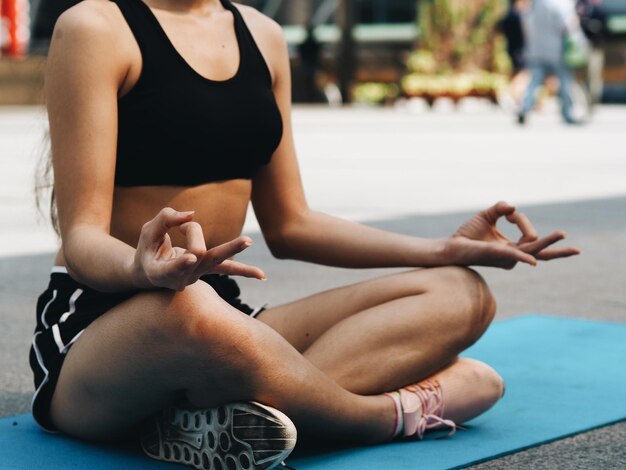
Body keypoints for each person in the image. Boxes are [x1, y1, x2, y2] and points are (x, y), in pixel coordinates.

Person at [30, 0, 580, 469]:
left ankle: (221, 422)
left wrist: (443, 250)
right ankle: (379, 418)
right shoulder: (96, 27)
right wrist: (139, 268)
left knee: (461, 293)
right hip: (104, 322)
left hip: (225, 319)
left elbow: (293, 225)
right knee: (188, 310)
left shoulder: (263, 37)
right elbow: (81, 238)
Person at [517, 0, 581, 125]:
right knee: (564, 82)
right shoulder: (560, 5)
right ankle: (567, 113)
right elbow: (565, 25)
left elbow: (525, 24)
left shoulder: (534, 4)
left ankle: (525, 108)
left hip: (535, 49)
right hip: (556, 50)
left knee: (534, 82)